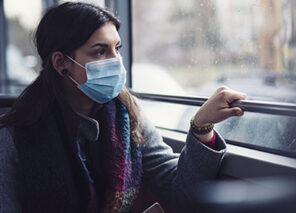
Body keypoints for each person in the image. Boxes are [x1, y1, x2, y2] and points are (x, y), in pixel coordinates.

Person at [0, 2, 246, 213]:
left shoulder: (127, 117)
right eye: (100, 52)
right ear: (61, 63)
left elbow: (181, 193)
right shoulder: (13, 139)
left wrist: (201, 126)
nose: (116, 62)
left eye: (117, 48)